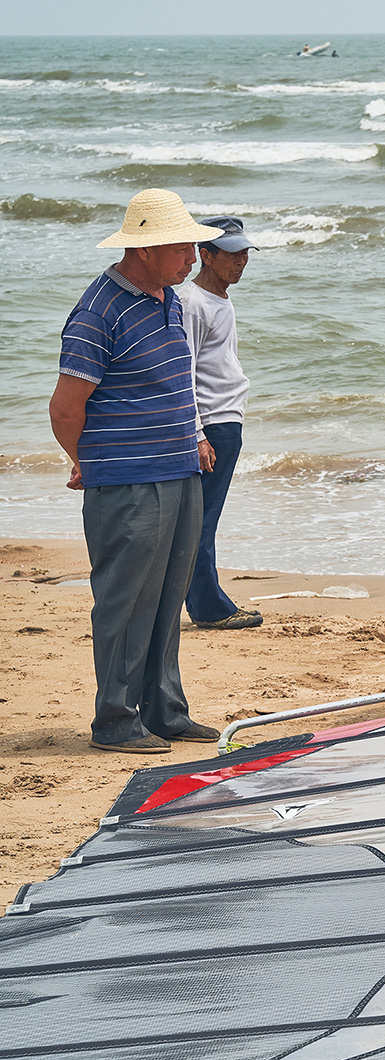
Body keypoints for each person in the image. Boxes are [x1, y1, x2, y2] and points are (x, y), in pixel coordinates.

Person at [50, 189, 224, 754]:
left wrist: (194, 436)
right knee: (126, 600)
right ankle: (115, 719)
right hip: (127, 480)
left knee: (169, 596)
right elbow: (65, 407)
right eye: (183, 248)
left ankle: (165, 710)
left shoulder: (167, 297)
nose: (194, 259)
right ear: (145, 249)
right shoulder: (99, 310)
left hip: (177, 470)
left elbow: (176, 382)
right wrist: (85, 461)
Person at [180, 215, 263, 630]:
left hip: (225, 421)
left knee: (202, 517)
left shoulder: (220, 299)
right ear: (205, 255)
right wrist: (196, 435)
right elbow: (183, 371)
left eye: (245, 252)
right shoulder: (192, 303)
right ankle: (209, 607)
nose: (241, 261)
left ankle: (202, 601)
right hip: (212, 424)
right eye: (231, 254)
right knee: (202, 519)